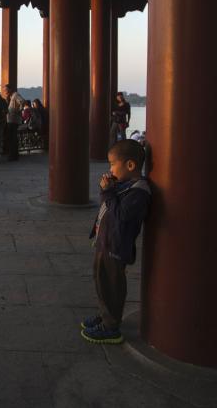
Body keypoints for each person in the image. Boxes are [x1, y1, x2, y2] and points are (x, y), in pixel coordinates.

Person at [81, 139, 151, 345]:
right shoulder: (124, 185)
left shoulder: (139, 191)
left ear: (130, 165)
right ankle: (105, 315)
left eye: (113, 164)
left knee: (112, 284)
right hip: (106, 242)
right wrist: (109, 189)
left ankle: (111, 326)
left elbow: (120, 216)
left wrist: (108, 191)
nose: (110, 168)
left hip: (116, 246)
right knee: (101, 281)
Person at [2, 84, 27, 161]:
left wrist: (19, 110)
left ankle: (12, 156)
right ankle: (14, 155)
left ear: (10, 89)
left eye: (6, 90)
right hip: (11, 119)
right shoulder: (11, 97)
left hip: (13, 120)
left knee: (12, 138)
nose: (5, 91)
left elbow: (23, 101)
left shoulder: (15, 95)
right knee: (12, 138)